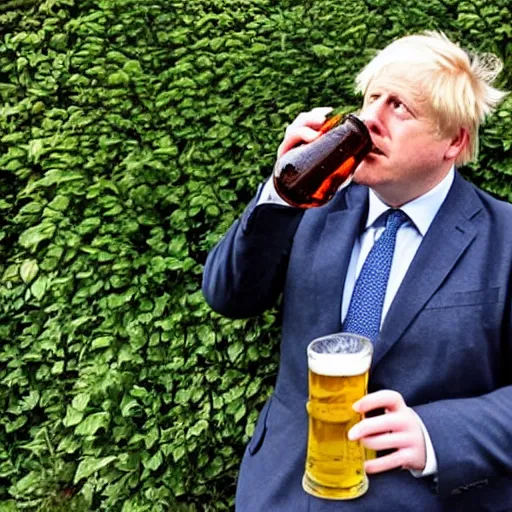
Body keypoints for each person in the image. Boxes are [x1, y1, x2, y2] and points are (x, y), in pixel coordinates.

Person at [202, 31, 511, 511]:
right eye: (371, 99)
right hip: (282, 492)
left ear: (453, 141)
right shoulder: (312, 202)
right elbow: (228, 295)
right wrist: (279, 194)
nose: (370, 119)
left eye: (400, 107)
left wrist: (439, 434)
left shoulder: (504, 238)